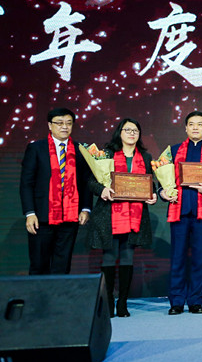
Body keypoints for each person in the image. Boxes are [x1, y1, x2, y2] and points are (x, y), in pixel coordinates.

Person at [87, 118, 159, 317]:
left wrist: (153, 195)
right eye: (127, 130)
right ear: (119, 132)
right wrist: (102, 190)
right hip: (109, 214)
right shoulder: (106, 154)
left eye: (135, 130)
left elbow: (151, 184)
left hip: (135, 215)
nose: (131, 133)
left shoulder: (146, 157)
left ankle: (123, 303)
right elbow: (91, 182)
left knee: (127, 256)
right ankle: (109, 301)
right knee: (109, 256)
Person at [161, 111, 202, 315]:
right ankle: (176, 301)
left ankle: (196, 301)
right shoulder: (172, 151)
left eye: (200, 124)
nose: (195, 127)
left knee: (200, 258)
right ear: (186, 128)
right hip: (179, 211)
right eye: (191, 124)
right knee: (178, 257)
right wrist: (163, 192)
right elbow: (161, 178)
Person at [20, 107, 92, 275]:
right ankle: (38, 293)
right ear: (50, 125)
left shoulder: (80, 150)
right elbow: (26, 183)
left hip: (70, 217)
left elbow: (86, 182)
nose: (64, 127)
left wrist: (85, 208)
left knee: (62, 265)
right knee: (39, 265)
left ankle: (59, 294)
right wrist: (30, 213)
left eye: (68, 123)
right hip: (41, 217)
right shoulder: (36, 148)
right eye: (59, 123)